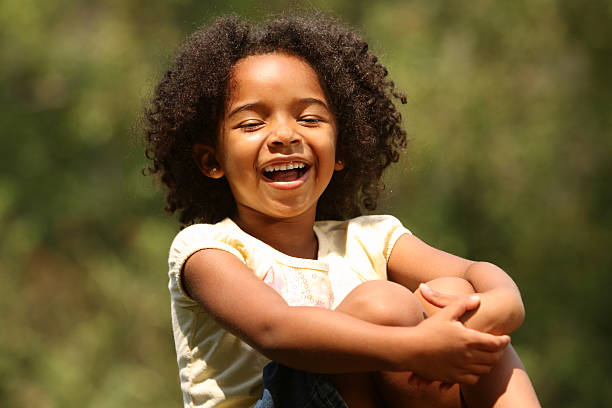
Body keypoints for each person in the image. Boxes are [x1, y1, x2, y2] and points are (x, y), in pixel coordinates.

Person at [143, 13, 540, 408]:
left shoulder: (371, 238)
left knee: (452, 296)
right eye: (251, 124)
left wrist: (501, 302)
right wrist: (414, 345)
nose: (284, 135)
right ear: (212, 160)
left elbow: (473, 274)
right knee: (384, 305)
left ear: (341, 150)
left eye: (309, 118)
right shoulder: (207, 250)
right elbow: (275, 329)